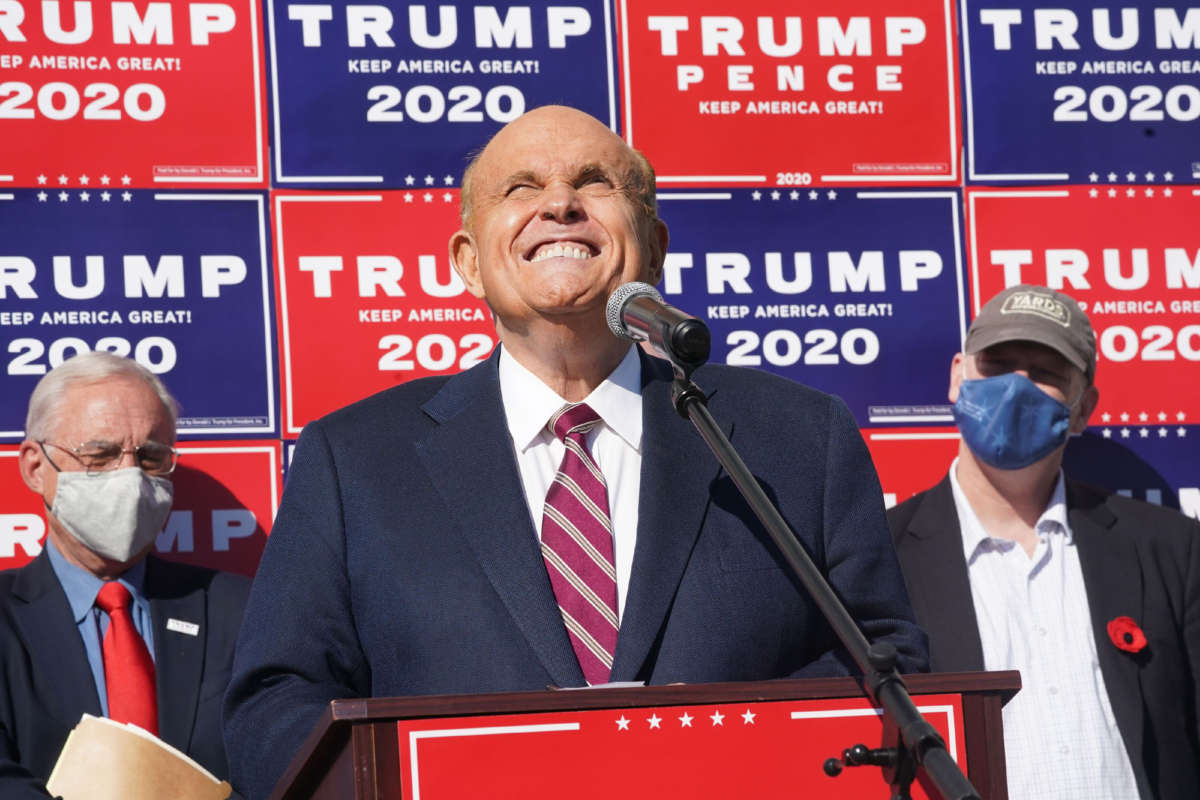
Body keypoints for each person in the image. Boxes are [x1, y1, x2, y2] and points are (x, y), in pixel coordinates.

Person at [224, 105, 928, 799]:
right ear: (468, 262)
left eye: (595, 182)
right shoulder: (355, 462)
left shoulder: (799, 438)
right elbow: (275, 707)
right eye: (521, 188)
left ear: (653, 246)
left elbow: (885, 665)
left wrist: (720, 747)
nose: (559, 203)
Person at [888, 284, 1200, 800]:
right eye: (998, 364)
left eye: (1046, 374)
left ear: (1083, 407)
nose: (1016, 387)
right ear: (958, 376)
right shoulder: (883, 556)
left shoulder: (1172, 548)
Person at [0, 351, 251, 798]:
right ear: (36, 468)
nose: (130, 476)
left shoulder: (239, 611)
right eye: (100, 455)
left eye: (151, 458)